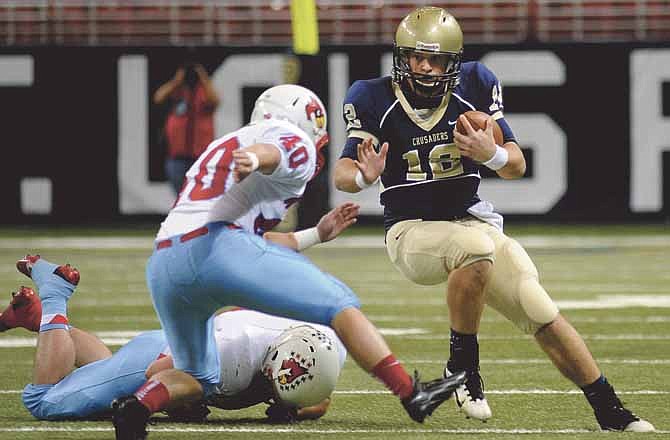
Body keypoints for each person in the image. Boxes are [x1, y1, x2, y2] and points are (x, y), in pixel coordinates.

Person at [332, 6, 654, 433]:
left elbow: (515, 165)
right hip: (410, 232)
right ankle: (464, 365)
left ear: (454, 62)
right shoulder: (371, 96)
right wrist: (362, 175)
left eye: (435, 59)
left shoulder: (476, 85)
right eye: (415, 56)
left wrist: (491, 154)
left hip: (469, 220)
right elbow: (342, 175)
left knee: (536, 304)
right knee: (477, 248)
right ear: (401, 56)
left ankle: (610, 409)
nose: (424, 66)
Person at [108, 83, 466, 440]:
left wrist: (319, 229)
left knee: (196, 375)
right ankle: (410, 393)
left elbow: (251, 236)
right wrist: (256, 159)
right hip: (216, 249)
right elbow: (276, 150)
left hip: (166, 263)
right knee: (338, 303)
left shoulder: (219, 146)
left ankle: (138, 406)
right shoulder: (290, 138)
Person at [0, 262, 347, 423]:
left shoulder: (319, 344)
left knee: (103, 373)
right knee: (43, 402)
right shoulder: (231, 359)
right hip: (164, 358)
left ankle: (33, 316)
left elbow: (320, 396)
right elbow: (157, 372)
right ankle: (55, 291)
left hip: (178, 341)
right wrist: (180, 401)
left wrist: (301, 407)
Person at [154, 58, 220, 194]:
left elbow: (216, 100)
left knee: (201, 195)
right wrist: (177, 80)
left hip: (201, 157)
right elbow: (158, 98)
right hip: (176, 156)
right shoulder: (177, 92)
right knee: (180, 196)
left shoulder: (204, 93)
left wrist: (202, 77)